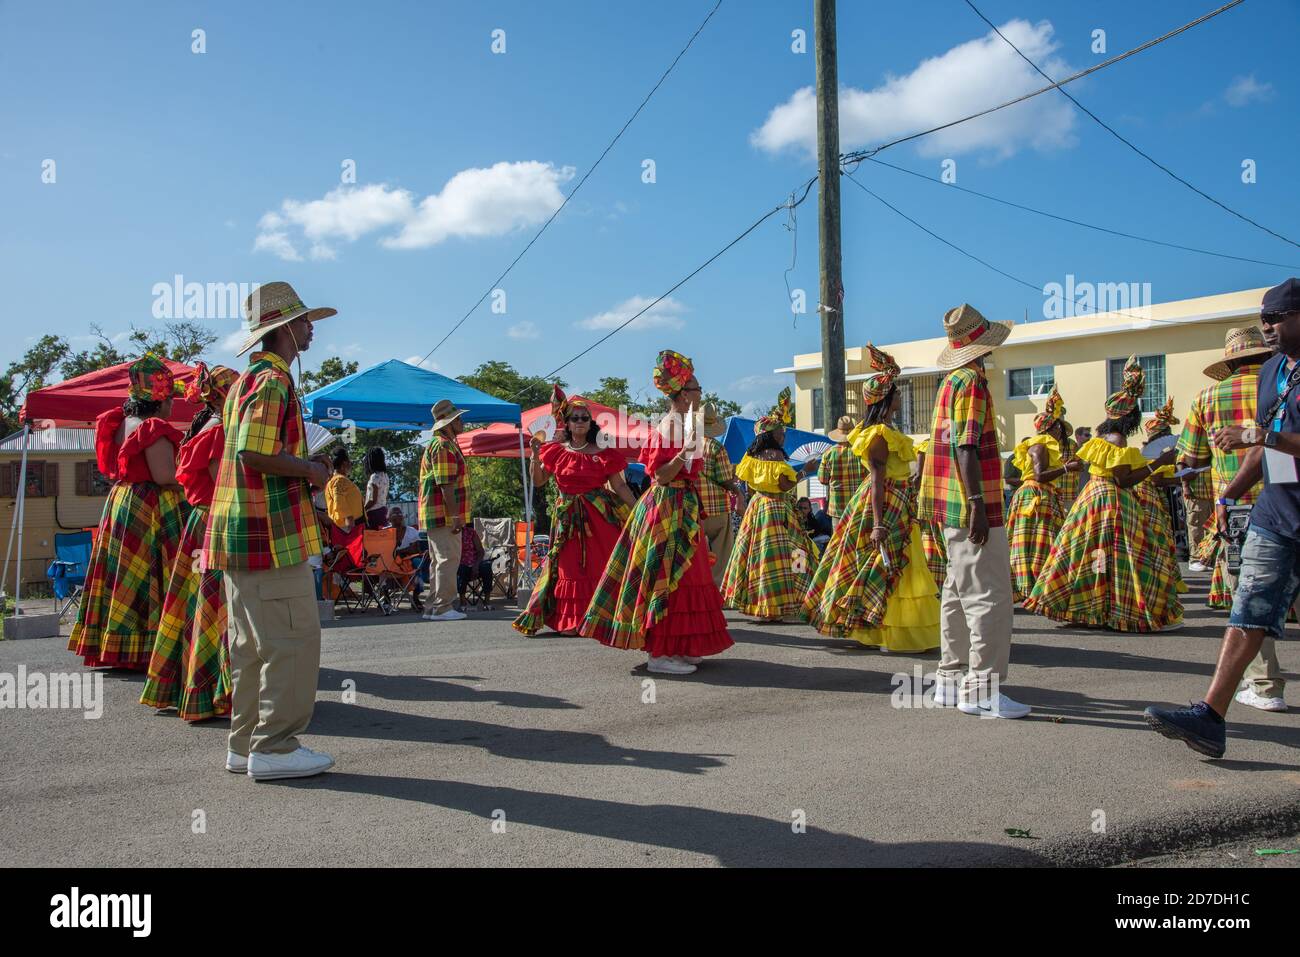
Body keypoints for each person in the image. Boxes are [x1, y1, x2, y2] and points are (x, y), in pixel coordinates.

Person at [1146, 279, 1300, 756]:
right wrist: (1228, 496)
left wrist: (1259, 435)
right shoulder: (1274, 370)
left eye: (1276, 317)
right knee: (1247, 609)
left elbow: (1264, 436)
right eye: (1264, 319)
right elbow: (1263, 443)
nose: (1267, 326)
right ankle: (1210, 717)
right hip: (1277, 511)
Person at [204, 281, 336, 781]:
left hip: (239, 533)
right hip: (269, 534)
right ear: (283, 329)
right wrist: (310, 471)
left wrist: (302, 465)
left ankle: (246, 745)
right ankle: (276, 748)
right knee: (293, 643)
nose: (311, 330)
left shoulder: (244, 382)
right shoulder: (274, 381)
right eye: (305, 322)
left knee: (251, 648)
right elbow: (254, 455)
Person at [581, 350, 733, 675]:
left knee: (689, 574)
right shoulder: (669, 427)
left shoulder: (684, 424)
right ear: (681, 394)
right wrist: (684, 453)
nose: (701, 394)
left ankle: (681, 646)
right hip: (667, 506)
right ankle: (661, 653)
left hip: (683, 505)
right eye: (696, 390)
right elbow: (660, 475)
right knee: (668, 575)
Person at [918, 304, 1029, 718]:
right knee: (990, 598)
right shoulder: (974, 383)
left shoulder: (949, 382)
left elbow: (948, 444)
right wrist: (978, 505)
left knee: (956, 592)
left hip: (948, 505)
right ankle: (982, 689)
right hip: (972, 507)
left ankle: (950, 679)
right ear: (983, 346)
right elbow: (966, 447)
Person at [1024, 356, 1183, 633]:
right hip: (1111, 502)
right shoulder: (1118, 440)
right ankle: (1114, 609)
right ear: (1130, 416)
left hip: (1092, 500)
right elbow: (1124, 479)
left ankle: (1092, 607)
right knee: (1119, 557)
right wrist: (1160, 462)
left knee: (1095, 555)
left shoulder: (1099, 439)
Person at [803, 345, 940, 652]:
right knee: (882, 564)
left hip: (899, 503)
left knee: (896, 565)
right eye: (897, 393)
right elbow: (878, 478)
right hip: (883, 505)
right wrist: (878, 524)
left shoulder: (887, 430)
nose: (901, 397)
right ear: (887, 398)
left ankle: (893, 630)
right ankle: (884, 631)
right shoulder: (878, 434)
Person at [1177, 325, 1283, 711]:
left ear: (1231, 361)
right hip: (1287, 496)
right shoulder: (1281, 387)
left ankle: (1266, 686)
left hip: (1238, 508)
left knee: (1252, 598)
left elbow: (1191, 460)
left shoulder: (1208, 397)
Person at [69, 353, 187, 671]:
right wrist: (195, 479)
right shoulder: (153, 427)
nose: (173, 404)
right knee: (153, 572)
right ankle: (149, 646)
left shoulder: (120, 422)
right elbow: (164, 476)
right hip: (150, 506)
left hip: (121, 501)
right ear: (161, 400)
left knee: (122, 573)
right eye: (171, 398)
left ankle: (117, 643)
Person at [140, 363, 239, 721]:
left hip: (202, 522)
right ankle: (218, 690)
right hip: (216, 520)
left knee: (201, 607)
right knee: (217, 607)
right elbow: (224, 485)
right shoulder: (221, 432)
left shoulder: (211, 428)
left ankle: (199, 685)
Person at [514, 387, 634, 636]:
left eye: (584, 418)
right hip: (568, 520)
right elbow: (538, 482)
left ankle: (602, 618)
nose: (580, 422)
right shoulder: (554, 451)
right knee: (570, 567)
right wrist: (535, 455)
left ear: (590, 422)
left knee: (601, 564)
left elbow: (619, 485)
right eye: (575, 418)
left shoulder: (604, 453)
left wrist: (638, 509)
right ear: (566, 424)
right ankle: (573, 620)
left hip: (601, 518)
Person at [721, 388, 820, 623]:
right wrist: (806, 470)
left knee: (759, 556)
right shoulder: (776, 456)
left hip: (759, 507)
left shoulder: (750, 457)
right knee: (796, 552)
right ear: (770, 435)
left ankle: (762, 602)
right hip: (778, 509)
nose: (784, 436)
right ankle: (794, 599)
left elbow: (749, 484)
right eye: (780, 432)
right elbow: (785, 485)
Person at [1006, 387, 1084, 602]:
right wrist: (1068, 468)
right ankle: (1034, 587)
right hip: (1036, 496)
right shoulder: (1039, 447)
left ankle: (1037, 587)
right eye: (1059, 428)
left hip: (1040, 495)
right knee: (1038, 542)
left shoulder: (1043, 446)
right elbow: (1040, 476)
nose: (1061, 433)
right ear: (1053, 428)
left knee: (1035, 543)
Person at [418, 398, 471, 622]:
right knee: (448, 559)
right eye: (458, 418)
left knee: (439, 560)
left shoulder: (439, 444)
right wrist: (456, 515)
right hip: (444, 514)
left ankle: (433, 606)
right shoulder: (443, 445)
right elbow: (446, 484)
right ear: (448, 423)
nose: (462, 421)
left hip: (436, 514)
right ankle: (442, 607)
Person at [1135, 397, 1189, 594]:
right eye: (1165, 433)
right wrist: (1180, 480)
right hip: (1148, 496)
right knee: (1158, 537)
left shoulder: (1161, 451)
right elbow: (1157, 480)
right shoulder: (1152, 453)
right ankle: (1160, 577)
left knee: (1158, 537)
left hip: (1154, 496)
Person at [697, 402, 746, 586]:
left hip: (694, 506)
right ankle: (719, 590)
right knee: (722, 552)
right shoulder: (717, 448)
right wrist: (736, 488)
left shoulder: (686, 446)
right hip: (717, 506)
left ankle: (698, 589)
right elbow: (725, 478)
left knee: (695, 553)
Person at [912, 436, 947, 593]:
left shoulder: (924, 448)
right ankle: (943, 585)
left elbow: (918, 477)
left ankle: (932, 587)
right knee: (944, 545)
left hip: (927, 501)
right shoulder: (946, 448)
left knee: (928, 546)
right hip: (944, 499)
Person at [821, 415, 868, 529]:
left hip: (838, 508)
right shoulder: (862, 451)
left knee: (838, 542)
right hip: (860, 505)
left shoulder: (829, 453)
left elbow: (823, 479)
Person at [456, 524, 495, 611]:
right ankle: (462, 602)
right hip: (459, 563)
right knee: (462, 569)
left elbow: (480, 551)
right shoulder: (450, 534)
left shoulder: (470, 532)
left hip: (474, 562)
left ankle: (487, 601)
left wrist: (476, 565)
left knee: (487, 567)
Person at [362, 447, 390, 529]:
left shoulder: (374, 477)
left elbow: (372, 500)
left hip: (374, 514)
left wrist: (363, 509)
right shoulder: (385, 475)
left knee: (372, 539)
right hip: (383, 510)